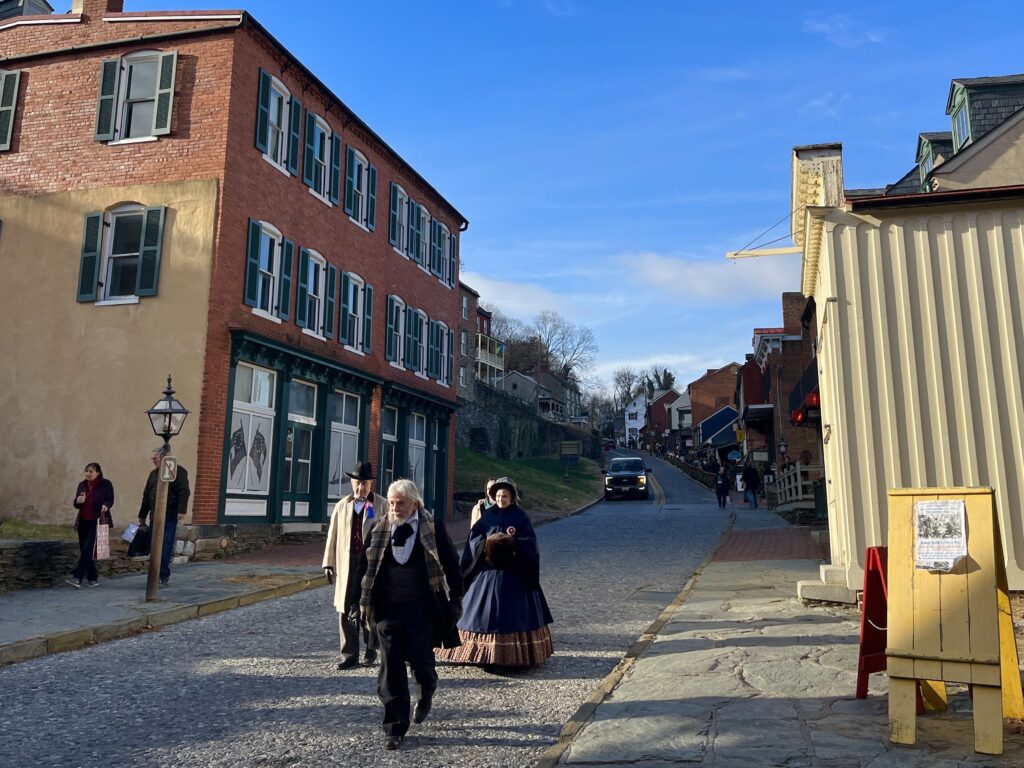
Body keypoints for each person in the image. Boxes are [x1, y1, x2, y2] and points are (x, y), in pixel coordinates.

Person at [357, 479, 463, 751]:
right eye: (391, 503)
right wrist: (354, 602)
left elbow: (452, 565)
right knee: (390, 670)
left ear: (414, 503)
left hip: (421, 609)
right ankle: (394, 727)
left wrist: (456, 600)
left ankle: (426, 690)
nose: (394, 508)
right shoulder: (380, 528)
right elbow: (364, 567)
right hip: (388, 610)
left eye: (400, 503)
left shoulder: (433, 528)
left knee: (422, 663)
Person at [437, 476, 553, 671]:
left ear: (512, 497)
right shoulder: (487, 516)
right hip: (488, 570)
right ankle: (476, 652)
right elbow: (475, 539)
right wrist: (487, 545)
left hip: (514, 570)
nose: (501, 499)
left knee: (513, 612)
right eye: (498, 496)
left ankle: (514, 655)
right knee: (478, 609)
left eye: (505, 496)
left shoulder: (520, 516)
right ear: (494, 497)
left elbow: (529, 542)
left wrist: (512, 544)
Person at [322, 460, 379, 670]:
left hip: (370, 563)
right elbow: (332, 536)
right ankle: (349, 654)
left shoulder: (379, 504)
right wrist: (328, 563)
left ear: (371, 484)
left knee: (369, 607)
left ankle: (371, 647)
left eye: (364, 484)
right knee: (345, 608)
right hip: (347, 563)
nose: (360, 487)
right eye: (356, 483)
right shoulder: (342, 505)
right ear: (351, 483)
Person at [138, 445, 191, 586]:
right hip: (154, 516)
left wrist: (181, 510)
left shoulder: (178, 471)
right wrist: (142, 515)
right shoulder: (153, 474)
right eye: (153, 458)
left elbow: (184, 491)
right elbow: (146, 496)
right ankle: (154, 573)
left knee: (165, 544)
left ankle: (162, 575)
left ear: (163, 457)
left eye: (155, 458)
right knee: (153, 545)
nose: (153, 461)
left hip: (169, 514)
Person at [66, 463, 114, 588]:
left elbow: (110, 499)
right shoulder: (82, 485)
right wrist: (78, 501)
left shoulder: (105, 484)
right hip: (83, 521)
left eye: (91, 471)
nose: (88, 473)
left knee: (87, 548)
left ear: (97, 472)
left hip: (96, 520)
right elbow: (76, 504)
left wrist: (106, 505)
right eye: (86, 471)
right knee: (84, 550)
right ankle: (93, 579)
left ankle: (77, 578)